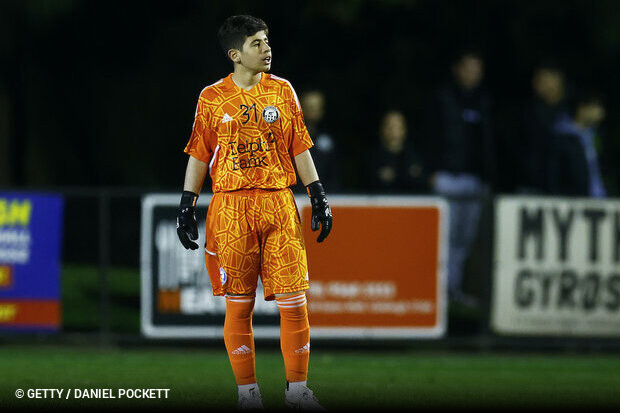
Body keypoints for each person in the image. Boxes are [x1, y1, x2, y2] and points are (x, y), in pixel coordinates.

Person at [175, 15, 331, 410]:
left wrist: (318, 196)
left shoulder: (283, 91)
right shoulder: (211, 97)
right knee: (239, 304)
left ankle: (297, 392)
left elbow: (300, 146)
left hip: (278, 201)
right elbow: (199, 152)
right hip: (231, 206)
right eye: (257, 43)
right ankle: (248, 394)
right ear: (235, 54)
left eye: (266, 41)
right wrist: (187, 204)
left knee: (295, 302)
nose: (266, 49)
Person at [426, 49, 494, 306]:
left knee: (464, 240)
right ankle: (438, 293)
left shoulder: (483, 100)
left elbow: (487, 143)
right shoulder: (442, 97)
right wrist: (432, 171)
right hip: (447, 177)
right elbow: (431, 134)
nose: (472, 73)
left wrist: (488, 176)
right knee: (444, 237)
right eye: (468, 67)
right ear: (457, 69)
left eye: (477, 68)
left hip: (474, 180)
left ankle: (453, 290)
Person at [519, 61, 568, 193]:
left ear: (557, 80)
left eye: (542, 79)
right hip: (532, 185)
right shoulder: (527, 110)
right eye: (536, 79)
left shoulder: (572, 109)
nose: (536, 83)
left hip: (567, 187)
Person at [549, 91, 607, 197]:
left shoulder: (595, 137)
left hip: (601, 200)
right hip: (573, 202)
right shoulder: (561, 136)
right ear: (582, 108)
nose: (601, 113)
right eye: (596, 106)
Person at [368, 110, 428, 193]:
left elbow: (423, 181)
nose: (393, 130)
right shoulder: (373, 157)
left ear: (404, 129)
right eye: (389, 126)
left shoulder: (415, 156)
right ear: (382, 129)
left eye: (397, 126)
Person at [300, 91, 341, 193]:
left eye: (315, 108)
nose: (311, 112)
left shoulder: (330, 141)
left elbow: (334, 176)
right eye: (307, 107)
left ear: (322, 110)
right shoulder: (286, 138)